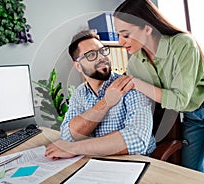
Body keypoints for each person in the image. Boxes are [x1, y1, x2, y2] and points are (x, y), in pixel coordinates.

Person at [113, 0, 204, 181]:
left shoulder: (182, 43)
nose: (120, 41)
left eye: (125, 34)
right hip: (191, 115)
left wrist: (136, 83)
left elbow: (179, 100)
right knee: (187, 172)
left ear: (147, 28)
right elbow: (145, 101)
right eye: (118, 34)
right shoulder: (135, 63)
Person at [45, 30, 156, 160]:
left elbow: (137, 141)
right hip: (97, 162)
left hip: (137, 164)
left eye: (102, 51)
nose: (101, 57)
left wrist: (75, 148)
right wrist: (106, 102)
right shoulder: (80, 93)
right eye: (91, 54)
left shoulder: (130, 85)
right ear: (78, 66)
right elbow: (68, 136)